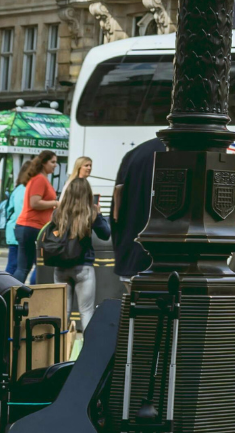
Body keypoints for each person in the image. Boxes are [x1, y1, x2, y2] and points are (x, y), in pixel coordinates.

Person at [38, 176, 111, 333]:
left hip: (60, 267)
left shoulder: (58, 213)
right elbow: (106, 234)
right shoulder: (90, 213)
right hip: (83, 267)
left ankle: (60, 345)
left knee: (63, 312)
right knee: (86, 311)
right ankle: (88, 347)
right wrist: (99, 214)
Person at [111, 134, 168, 278]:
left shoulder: (135, 154)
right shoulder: (185, 153)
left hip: (132, 256)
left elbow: (116, 212)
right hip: (168, 261)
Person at [7, 150, 58, 282]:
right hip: (32, 227)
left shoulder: (40, 179)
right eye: (52, 162)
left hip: (29, 227)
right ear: (44, 163)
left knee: (25, 267)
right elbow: (34, 203)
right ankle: (29, 291)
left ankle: (15, 293)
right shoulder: (39, 179)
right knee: (37, 266)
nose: (55, 165)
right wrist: (56, 203)